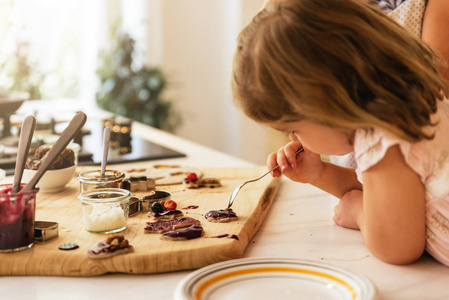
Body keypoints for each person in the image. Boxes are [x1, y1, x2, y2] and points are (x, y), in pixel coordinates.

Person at [232, 0, 449, 266]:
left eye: (294, 127)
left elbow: (398, 246)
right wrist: (321, 174)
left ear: (327, 104)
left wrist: (358, 211)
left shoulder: (384, 136)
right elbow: (395, 198)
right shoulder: (413, 101)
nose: (294, 139)